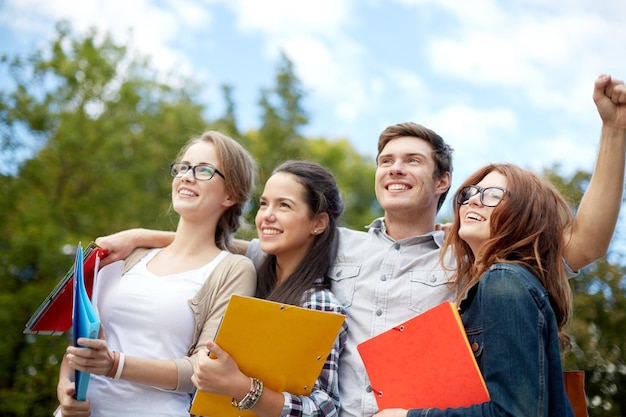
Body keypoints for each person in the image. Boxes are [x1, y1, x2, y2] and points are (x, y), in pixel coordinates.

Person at [95, 74, 626, 417]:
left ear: (443, 182)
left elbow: (584, 244)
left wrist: (614, 131)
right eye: (385, 160)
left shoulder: (467, 252)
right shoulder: (333, 247)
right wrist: (141, 237)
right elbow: (232, 246)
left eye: (412, 160)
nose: (395, 168)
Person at [56, 130, 257, 417]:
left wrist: (114, 364)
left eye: (203, 170)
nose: (187, 176)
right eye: (183, 167)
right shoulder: (128, 255)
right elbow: (82, 348)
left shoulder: (233, 270)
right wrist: (65, 388)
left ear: (232, 194)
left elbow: (204, 369)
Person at [374, 163, 577, 417]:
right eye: (470, 193)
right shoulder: (492, 285)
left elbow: (513, 413)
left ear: (526, 215)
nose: (473, 202)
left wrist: (408, 416)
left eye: (493, 195)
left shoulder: (503, 281)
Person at [191, 161, 349, 417]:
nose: (266, 216)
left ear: (318, 223)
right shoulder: (245, 277)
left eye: (284, 205)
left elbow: (324, 410)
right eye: (264, 204)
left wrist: (241, 387)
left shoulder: (318, 305)